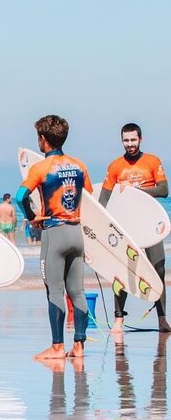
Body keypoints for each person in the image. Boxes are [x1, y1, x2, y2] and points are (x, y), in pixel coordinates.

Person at [17, 115, 93, 359]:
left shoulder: (40, 168)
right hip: (76, 232)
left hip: (54, 232)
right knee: (77, 291)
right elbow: (90, 200)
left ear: (43, 139)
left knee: (55, 291)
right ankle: (79, 346)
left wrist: (31, 216)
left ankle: (58, 346)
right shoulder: (79, 165)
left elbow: (20, 196)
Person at [98, 122, 170, 333]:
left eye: (133, 140)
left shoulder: (152, 161)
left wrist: (135, 191)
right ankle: (119, 319)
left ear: (141, 139)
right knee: (122, 272)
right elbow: (103, 200)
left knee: (157, 270)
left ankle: (162, 319)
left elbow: (164, 189)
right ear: (122, 141)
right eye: (126, 140)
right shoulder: (115, 166)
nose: (130, 144)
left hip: (149, 225)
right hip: (126, 227)